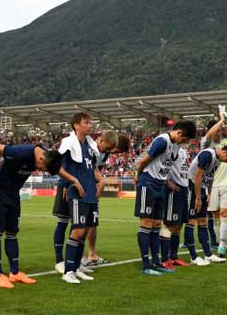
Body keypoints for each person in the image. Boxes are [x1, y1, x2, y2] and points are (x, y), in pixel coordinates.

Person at [0, 142, 65, 289]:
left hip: (13, 194)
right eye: (43, 169)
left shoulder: (47, 156)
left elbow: (58, 169)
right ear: (41, 159)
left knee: (12, 233)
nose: (40, 171)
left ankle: (15, 272)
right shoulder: (21, 152)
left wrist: (74, 180)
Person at [134, 121, 197, 276]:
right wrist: (138, 176)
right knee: (146, 223)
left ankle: (156, 262)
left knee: (156, 224)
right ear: (179, 133)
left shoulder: (175, 145)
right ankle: (146, 264)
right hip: (148, 183)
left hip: (160, 185)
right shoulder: (162, 141)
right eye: (185, 139)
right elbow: (143, 161)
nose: (185, 142)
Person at [58, 113, 104, 285]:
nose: (89, 125)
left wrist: (100, 180)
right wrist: (73, 181)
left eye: (90, 122)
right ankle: (68, 271)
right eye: (86, 122)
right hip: (77, 193)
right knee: (77, 231)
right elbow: (56, 166)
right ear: (76, 125)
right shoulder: (68, 143)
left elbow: (93, 167)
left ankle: (76, 268)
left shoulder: (90, 145)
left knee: (84, 232)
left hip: (91, 194)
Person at [82, 132, 130, 268]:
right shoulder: (91, 148)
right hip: (83, 187)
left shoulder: (105, 153)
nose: (115, 153)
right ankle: (81, 256)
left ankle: (92, 254)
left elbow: (95, 169)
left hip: (93, 189)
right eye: (116, 150)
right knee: (80, 222)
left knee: (93, 221)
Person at [200, 116, 227, 257]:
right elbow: (208, 135)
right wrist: (220, 120)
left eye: (220, 130)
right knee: (215, 215)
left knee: (224, 213)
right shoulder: (206, 144)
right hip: (212, 185)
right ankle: (217, 241)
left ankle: (222, 245)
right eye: (217, 130)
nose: (219, 132)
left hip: (226, 183)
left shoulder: (226, 143)